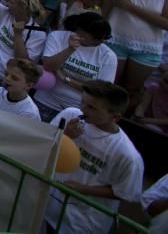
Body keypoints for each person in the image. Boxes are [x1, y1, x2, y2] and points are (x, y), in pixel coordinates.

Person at [46, 81, 143, 234]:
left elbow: (126, 192)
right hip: (46, 207)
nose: (83, 109)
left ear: (115, 117)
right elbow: (44, 145)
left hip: (82, 223)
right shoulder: (70, 115)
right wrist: (66, 137)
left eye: (91, 107)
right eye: (82, 102)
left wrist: (84, 189)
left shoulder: (126, 155)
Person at [36, 12, 117, 122]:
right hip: (46, 102)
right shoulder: (58, 37)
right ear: (81, 32)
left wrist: (65, 79)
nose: (102, 41)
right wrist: (70, 49)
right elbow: (48, 66)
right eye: (97, 38)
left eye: (105, 38)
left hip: (78, 110)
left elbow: (100, 91)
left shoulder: (108, 56)